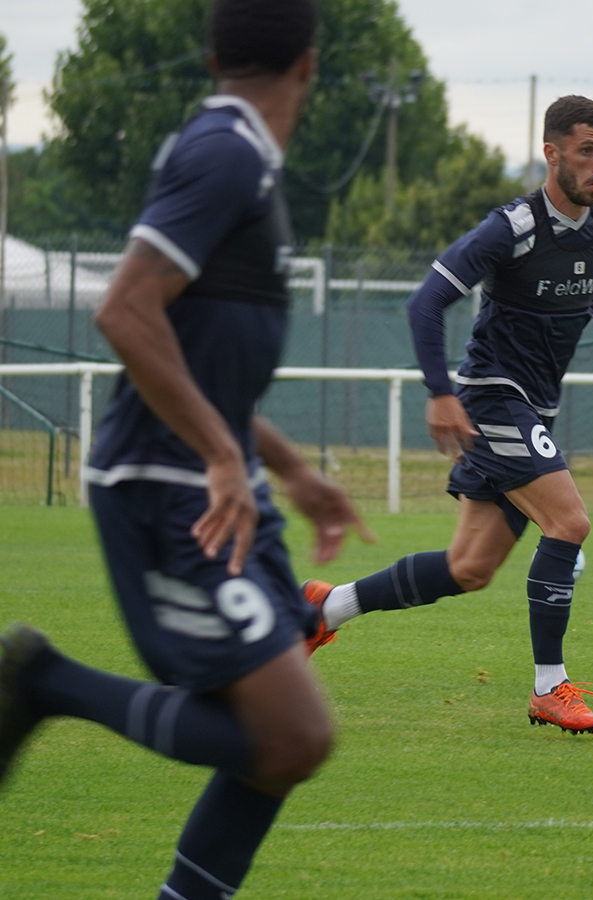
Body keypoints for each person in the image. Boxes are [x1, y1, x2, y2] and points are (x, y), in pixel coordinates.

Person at [0, 2, 372, 897]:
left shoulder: (237, 156)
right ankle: (42, 680)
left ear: (212, 56)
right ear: (310, 68)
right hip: (168, 490)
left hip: (218, 482)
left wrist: (284, 468)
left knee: (271, 751)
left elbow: (200, 362)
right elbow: (124, 310)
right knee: (296, 737)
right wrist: (217, 455)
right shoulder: (227, 154)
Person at [304, 95, 593, 734]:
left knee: (469, 568)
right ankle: (551, 687)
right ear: (552, 154)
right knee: (570, 523)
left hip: (532, 410)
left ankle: (326, 609)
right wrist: (441, 392)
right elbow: (425, 303)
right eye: (586, 151)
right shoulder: (513, 227)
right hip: (493, 398)